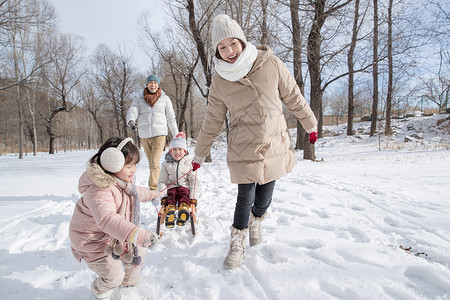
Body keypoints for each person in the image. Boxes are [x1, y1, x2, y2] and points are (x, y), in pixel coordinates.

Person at [191, 14, 318, 270]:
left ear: (242, 41)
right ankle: (237, 241)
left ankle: (257, 220)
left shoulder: (270, 63)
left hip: (273, 141)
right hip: (243, 144)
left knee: (264, 198)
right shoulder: (219, 79)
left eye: (233, 44)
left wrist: (310, 123)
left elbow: (292, 96)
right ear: (216, 51)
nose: (229, 51)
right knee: (245, 196)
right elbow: (213, 120)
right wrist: (199, 154)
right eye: (222, 47)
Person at [69, 137, 163, 300]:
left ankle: (128, 283)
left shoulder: (122, 181)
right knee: (113, 276)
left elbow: (137, 192)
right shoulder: (99, 190)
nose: (133, 169)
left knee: (139, 254)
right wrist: (138, 234)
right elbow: (107, 219)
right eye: (128, 165)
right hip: (92, 241)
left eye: (135, 165)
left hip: (113, 236)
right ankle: (100, 292)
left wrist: (155, 194)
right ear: (111, 163)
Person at [127, 74, 179, 191]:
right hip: (145, 135)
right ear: (147, 84)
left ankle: (154, 188)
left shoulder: (164, 99)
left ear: (158, 85)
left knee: (154, 162)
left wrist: (176, 135)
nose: (153, 85)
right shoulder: (139, 99)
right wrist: (131, 121)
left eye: (155, 83)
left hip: (160, 134)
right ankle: (162, 182)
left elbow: (171, 117)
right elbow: (132, 110)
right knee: (152, 162)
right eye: (150, 82)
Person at [158, 132, 201, 228]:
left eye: (180, 149)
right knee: (170, 196)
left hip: (184, 187)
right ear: (170, 151)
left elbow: (194, 180)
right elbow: (162, 181)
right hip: (171, 187)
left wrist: (194, 197)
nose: (177, 152)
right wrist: (162, 195)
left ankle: (184, 209)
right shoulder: (166, 164)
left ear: (185, 151)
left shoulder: (189, 163)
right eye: (174, 150)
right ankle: (170, 211)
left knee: (184, 194)